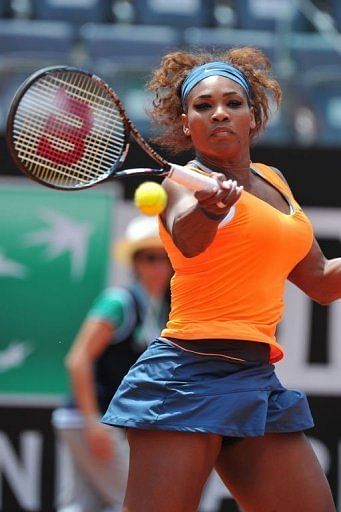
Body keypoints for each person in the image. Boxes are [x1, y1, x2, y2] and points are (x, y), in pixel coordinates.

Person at [102, 47, 340, 512]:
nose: (220, 114)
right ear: (186, 124)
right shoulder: (181, 183)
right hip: (186, 376)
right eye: (204, 106)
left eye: (233, 103)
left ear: (253, 117)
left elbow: (322, 282)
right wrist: (212, 209)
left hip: (256, 379)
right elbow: (188, 240)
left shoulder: (274, 180)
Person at [52, 215, 173, 512]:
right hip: (89, 420)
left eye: (164, 257)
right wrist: (94, 424)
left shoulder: (161, 309)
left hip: (90, 421)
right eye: (149, 258)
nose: (158, 266)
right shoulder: (119, 302)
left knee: (82, 505)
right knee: (139, 504)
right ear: (135, 263)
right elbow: (77, 360)